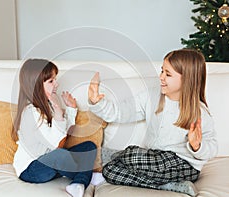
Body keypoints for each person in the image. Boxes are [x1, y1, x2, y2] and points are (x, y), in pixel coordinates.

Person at [87, 49, 218, 196]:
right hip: (153, 160)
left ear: (187, 79)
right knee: (109, 171)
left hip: (183, 165)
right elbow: (120, 112)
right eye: (162, 71)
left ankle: (115, 155)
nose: (161, 77)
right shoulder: (151, 96)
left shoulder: (199, 112)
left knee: (132, 156)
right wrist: (97, 102)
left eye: (168, 74)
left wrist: (197, 146)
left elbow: (212, 148)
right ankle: (168, 186)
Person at [12, 59, 97, 197]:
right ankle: (86, 177)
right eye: (51, 81)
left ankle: (80, 181)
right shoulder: (31, 112)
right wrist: (58, 112)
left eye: (55, 79)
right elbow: (56, 144)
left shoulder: (48, 104)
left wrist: (70, 109)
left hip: (50, 162)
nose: (56, 84)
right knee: (60, 155)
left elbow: (65, 132)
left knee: (89, 146)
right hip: (31, 169)